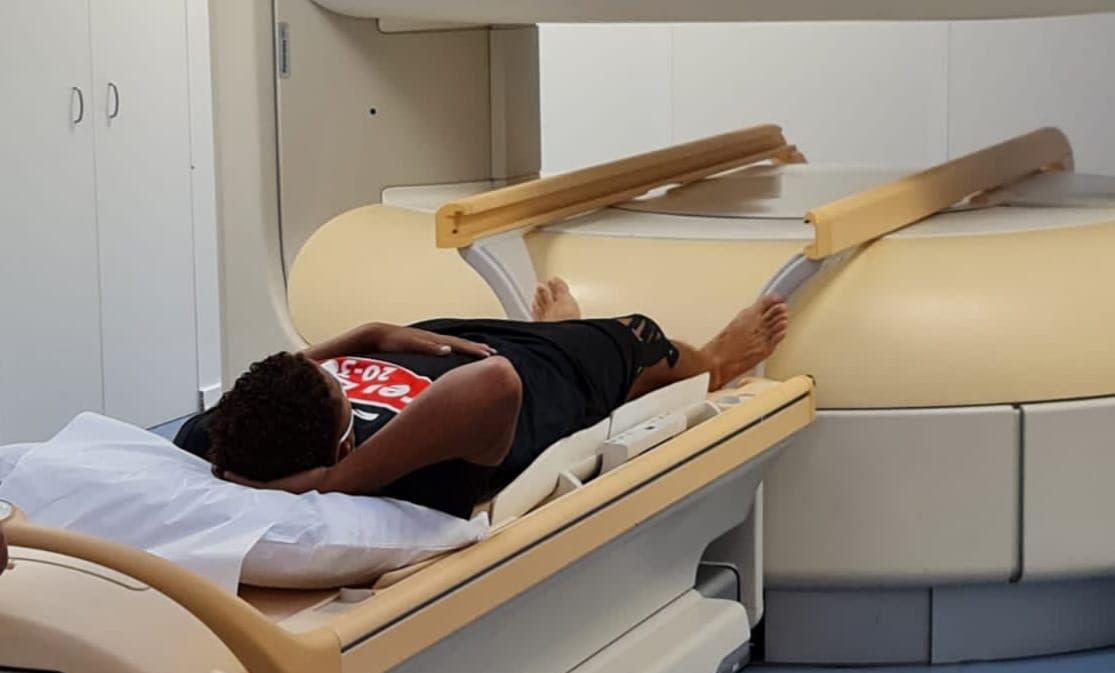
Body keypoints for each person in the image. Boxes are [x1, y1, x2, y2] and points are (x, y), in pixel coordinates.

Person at [175, 279, 789, 519]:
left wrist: (369, 337)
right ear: (339, 450)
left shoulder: (219, 434)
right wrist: (334, 483)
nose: (330, 370)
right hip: (545, 376)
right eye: (341, 391)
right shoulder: (402, 472)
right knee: (639, 338)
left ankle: (557, 325)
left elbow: (283, 372)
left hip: (435, 344)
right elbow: (497, 384)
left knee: (501, 334)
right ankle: (718, 359)